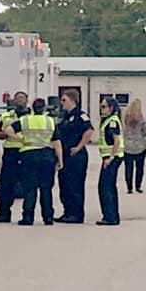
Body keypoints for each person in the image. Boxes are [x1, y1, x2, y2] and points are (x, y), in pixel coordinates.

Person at [10, 98, 63, 226]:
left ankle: (28, 217)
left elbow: (8, 130)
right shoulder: (50, 121)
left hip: (29, 156)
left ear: (32, 108)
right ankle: (48, 217)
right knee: (46, 189)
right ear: (44, 109)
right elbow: (57, 142)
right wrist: (60, 160)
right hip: (46, 157)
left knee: (29, 189)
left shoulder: (25, 120)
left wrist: (20, 140)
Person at [54, 90, 93, 223]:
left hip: (76, 155)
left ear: (72, 100)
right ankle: (67, 212)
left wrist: (79, 146)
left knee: (75, 184)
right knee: (64, 184)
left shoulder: (81, 115)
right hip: (64, 155)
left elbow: (89, 130)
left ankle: (76, 214)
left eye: (64, 100)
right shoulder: (64, 116)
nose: (62, 103)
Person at [0, 91, 30, 223]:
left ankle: (27, 215)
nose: (19, 100)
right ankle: (4, 214)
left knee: (28, 186)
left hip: (26, 152)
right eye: (17, 98)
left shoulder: (32, 116)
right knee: (6, 185)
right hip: (10, 153)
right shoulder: (6, 116)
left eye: (22, 98)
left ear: (27, 100)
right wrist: (4, 134)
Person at [95, 97, 125, 225]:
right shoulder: (108, 120)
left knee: (105, 187)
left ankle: (110, 216)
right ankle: (111, 216)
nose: (101, 109)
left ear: (111, 108)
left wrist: (111, 157)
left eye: (104, 107)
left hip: (112, 157)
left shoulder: (112, 121)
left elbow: (116, 140)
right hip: (109, 157)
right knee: (109, 186)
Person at [122, 97, 146, 194]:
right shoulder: (142, 119)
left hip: (127, 146)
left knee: (128, 168)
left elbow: (122, 131)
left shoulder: (125, 119)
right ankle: (138, 186)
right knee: (139, 167)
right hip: (140, 146)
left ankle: (129, 187)